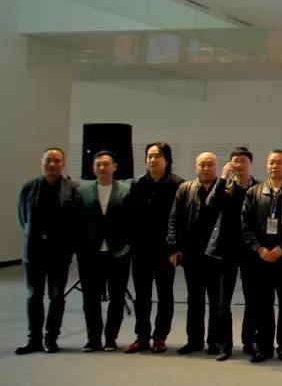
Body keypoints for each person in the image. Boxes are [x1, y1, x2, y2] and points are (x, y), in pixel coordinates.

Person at [15, 148, 79, 354]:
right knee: (34, 295)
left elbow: (76, 220)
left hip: (60, 251)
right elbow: (23, 218)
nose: (52, 164)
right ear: (41, 163)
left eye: (56, 161)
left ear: (63, 164)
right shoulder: (29, 188)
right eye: (48, 160)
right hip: (34, 250)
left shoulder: (72, 189)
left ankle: (51, 338)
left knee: (56, 296)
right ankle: (34, 339)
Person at [125, 142, 185, 354]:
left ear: (167, 159)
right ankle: (142, 336)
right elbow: (129, 216)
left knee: (165, 295)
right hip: (141, 250)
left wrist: (176, 248)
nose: (152, 160)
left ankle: (160, 336)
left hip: (166, 251)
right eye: (149, 156)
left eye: (157, 156)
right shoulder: (137, 184)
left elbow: (181, 220)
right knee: (142, 296)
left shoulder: (178, 185)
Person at [166, 152, 228, 357]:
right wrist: (173, 247)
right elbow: (174, 219)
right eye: (202, 164)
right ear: (196, 166)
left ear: (216, 167)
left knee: (217, 301)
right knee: (194, 300)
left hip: (217, 254)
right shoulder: (185, 188)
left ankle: (214, 342)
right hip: (192, 254)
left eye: (210, 164)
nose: (206, 168)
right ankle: (194, 340)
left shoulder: (225, 188)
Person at [204, 147, 259, 361]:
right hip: (225, 250)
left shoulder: (258, 187)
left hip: (251, 251)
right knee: (222, 302)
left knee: (252, 299)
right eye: (235, 160)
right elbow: (210, 204)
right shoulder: (224, 186)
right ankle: (224, 344)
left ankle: (249, 341)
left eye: (243, 160)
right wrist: (222, 178)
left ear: (250, 164)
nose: (239, 164)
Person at [241, 150, 282, 363]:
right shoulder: (254, 192)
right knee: (263, 304)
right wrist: (259, 248)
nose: (274, 166)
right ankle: (265, 347)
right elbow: (245, 225)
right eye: (271, 162)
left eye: (279, 162)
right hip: (261, 258)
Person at [76, 150, 132, 352]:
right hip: (90, 254)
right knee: (90, 298)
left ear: (114, 167)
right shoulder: (82, 191)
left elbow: (133, 220)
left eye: (106, 164)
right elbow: (76, 222)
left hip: (118, 252)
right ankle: (93, 338)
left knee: (117, 298)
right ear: (93, 168)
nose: (102, 167)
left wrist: (128, 244)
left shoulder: (126, 190)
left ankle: (110, 338)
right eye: (98, 164)